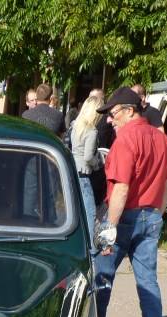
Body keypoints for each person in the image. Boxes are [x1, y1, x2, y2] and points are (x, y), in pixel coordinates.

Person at [94, 87, 167, 317]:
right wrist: (158, 216)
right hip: (151, 214)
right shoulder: (161, 139)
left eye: (113, 114)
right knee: (148, 280)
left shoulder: (126, 139)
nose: (109, 119)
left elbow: (121, 189)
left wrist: (108, 229)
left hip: (123, 214)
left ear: (129, 111)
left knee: (102, 275)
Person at [71, 96, 102, 246]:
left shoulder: (75, 125)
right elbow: (89, 156)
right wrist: (97, 163)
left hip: (72, 171)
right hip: (84, 173)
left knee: (75, 211)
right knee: (90, 212)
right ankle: (90, 247)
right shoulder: (92, 130)